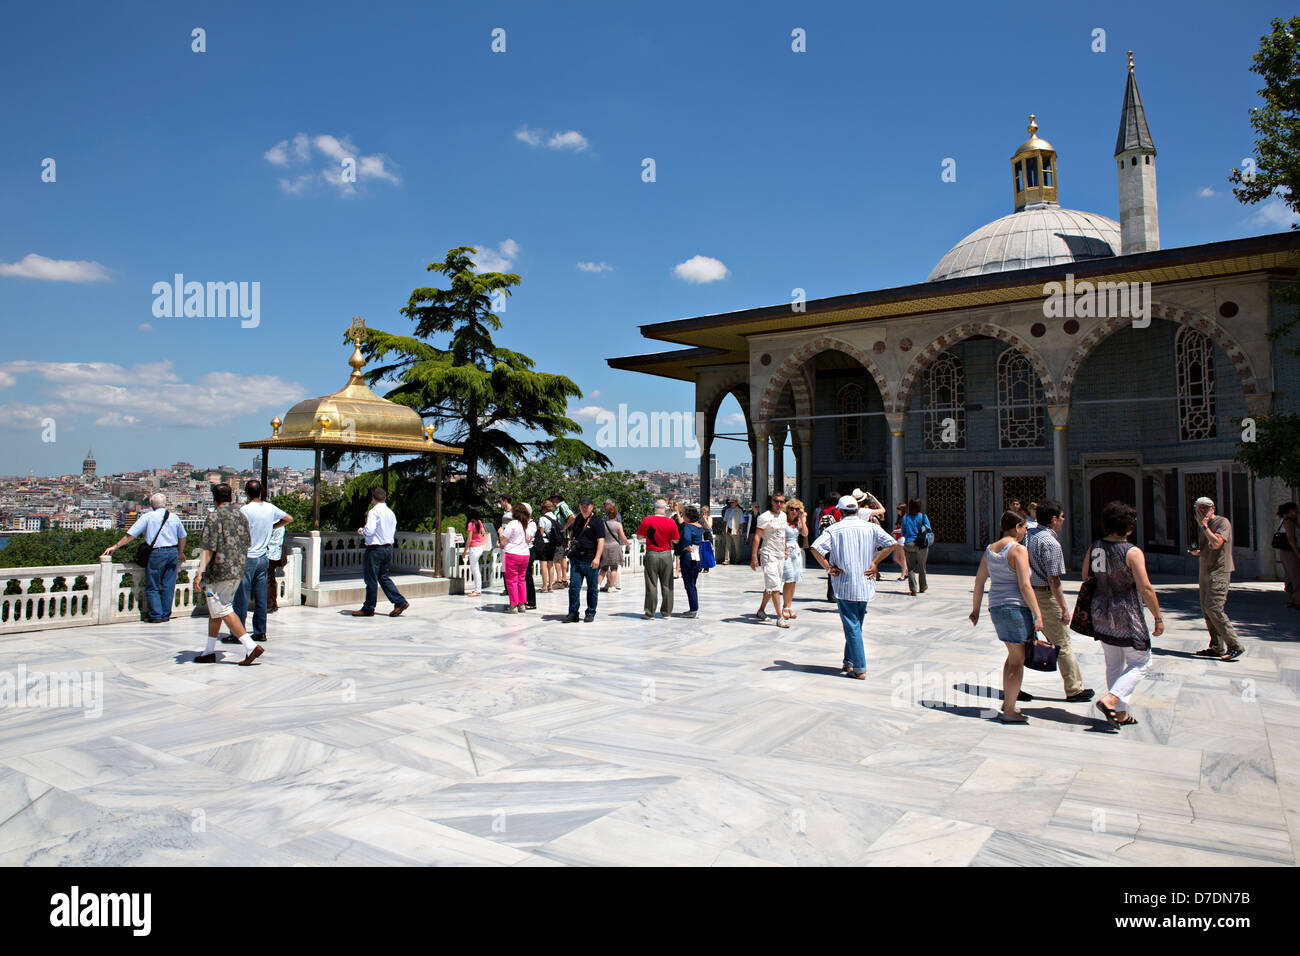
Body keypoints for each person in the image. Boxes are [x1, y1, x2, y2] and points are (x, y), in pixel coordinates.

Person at [1083, 501, 1164, 730]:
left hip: (1100, 612)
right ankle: (1111, 699)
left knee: (1114, 664)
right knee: (1141, 662)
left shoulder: (1095, 546)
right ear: (1128, 525)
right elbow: (1145, 587)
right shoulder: (1132, 551)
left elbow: (1085, 575)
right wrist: (1158, 617)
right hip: (1126, 614)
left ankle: (1120, 713)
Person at [809, 494, 903, 678]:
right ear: (857, 510)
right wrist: (875, 562)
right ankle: (849, 662)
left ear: (840, 511)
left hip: (845, 583)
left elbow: (815, 548)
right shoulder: (869, 527)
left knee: (852, 626)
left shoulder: (835, 529)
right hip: (865, 582)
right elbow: (891, 543)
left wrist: (828, 568)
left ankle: (859, 668)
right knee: (856, 625)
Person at [969, 510, 1045, 723]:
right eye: (1024, 528)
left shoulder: (990, 550)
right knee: (1016, 661)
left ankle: (1008, 701)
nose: (1025, 532)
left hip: (997, 608)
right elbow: (1024, 585)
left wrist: (976, 610)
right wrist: (1038, 614)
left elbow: (979, 581)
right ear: (1018, 527)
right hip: (1015, 609)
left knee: (1013, 655)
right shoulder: (1018, 550)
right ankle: (1010, 710)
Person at [1025, 500, 1093, 702]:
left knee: (1022, 642)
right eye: (1062, 517)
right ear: (1054, 519)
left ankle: (1013, 685)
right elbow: (1054, 579)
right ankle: (1074, 689)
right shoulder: (1050, 543)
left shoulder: (1028, 536)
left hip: (1028, 593)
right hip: (1045, 595)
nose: (1064, 520)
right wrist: (1064, 607)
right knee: (1062, 642)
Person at [192, 483, 262, 665]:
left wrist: (200, 572)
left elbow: (208, 548)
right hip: (238, 569)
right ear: (231, 497)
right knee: (216, 610)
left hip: (219, 571)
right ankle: (209, 651)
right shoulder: (241, 515)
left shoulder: (214, 517)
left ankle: (250, 646)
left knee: (222, 609)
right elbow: (248, 543)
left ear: (214, 499)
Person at [101, 492, 187, 623]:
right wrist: (180, 552)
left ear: (151, 504)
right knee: (169, 585)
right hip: (173, 552)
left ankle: (156, 615)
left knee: (153, 585)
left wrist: (115, 546)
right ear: (165, 504)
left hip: (157, 553)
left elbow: (131, 535)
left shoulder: (148, 517)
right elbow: (182, 536)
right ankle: (165, 614)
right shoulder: (174, 517)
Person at [231, 479, 291, 641]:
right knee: (261, 597)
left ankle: (239, 633)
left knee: (241, 597)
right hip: (263, 557)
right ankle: (260, 631)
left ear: (246, 493)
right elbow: (288, 518)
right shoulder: (270, 508)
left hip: (248, 556)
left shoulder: (245, 509)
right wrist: (273, 526)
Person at [1190, 496, 1244, 661]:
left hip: (1219, 571)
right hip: (1205, 569)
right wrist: (1197, 551)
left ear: (1213, 509)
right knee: (1206, 609)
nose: (1202, 511)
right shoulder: (1201, 526)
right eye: (1199, 508)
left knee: (1214, 608)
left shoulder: (1222, 523)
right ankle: (1217, 646)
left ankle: (1235, 645)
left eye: (1206, 508)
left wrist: (1204, 526)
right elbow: (1208, 547)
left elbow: (1217, 543)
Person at [350, 486, 408, 618]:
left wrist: (362, 531)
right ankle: (399, 601)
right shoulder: (390, 512)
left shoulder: (374, 512)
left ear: (373, 499)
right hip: (388, 547)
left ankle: (368, 608)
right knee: (383, 576)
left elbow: (370, 530)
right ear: (385, 498)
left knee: (371, 578)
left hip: (375, 548)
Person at [751, 492, 791, 627]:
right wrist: (754, 556)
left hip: (780, 555)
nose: (779, 504)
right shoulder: (764, 517)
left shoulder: (784, 516)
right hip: (768, 554)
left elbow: (783, 533)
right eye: (776, 501)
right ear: (772, 502)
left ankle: (761, 610)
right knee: (774, 586)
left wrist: (785, 549)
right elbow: (757, 536)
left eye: (781, 501)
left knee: (772, 585)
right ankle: (780, 617)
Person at [636, 499, 680, 619]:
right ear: (665, 509)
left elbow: (639, 537)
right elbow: (676, 540)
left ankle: (650, 612)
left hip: (652, 554)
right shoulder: (671, 522)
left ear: (654, 508)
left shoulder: (647, 520)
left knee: (651, 584)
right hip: (666, 554)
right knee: (667, 585)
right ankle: (666, 612)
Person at [564, 497, 605, 622]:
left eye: (587, 505)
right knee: (574, 588)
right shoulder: (577, 520)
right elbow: (572, 534)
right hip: (577, 559)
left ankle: (590, 612)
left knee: (592, 588)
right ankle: (573, 613)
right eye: (582, 505)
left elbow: (601, 540)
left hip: (590, 559)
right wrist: (570, 543)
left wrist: (597, 558)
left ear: (591, 507)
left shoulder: (597, 521)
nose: (584, 507)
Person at [500, 503, 532, 614]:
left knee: (511, 580)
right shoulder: (525, 525)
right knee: (521, 579)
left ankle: (513, 605)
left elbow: (504, 539)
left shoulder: (512, 523)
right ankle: (522, 604)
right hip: (524, 554)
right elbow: (529, 539)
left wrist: (500, 538)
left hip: (511, 554)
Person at [780, 498, 808, 619]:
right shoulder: (782, 520)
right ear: (787, 509)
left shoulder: (798, 521)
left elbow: (805, 534)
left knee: (794, 580)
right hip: (785, 551)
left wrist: (802, 518)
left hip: (796, 552)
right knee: (789, 578)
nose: (794, 511)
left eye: (797, 509)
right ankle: (785, 607)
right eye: (792, 508)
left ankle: (789, 606)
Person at [900, 498, 932, 597]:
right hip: (921, 545)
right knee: (922, 567)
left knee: (911, 568)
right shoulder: (923, 517)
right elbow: (929, 529)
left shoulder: (905, 518)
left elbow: (903, 532)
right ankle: (922, 587)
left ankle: (913, 589)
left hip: (909, 543)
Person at [678, 504, 704, 618]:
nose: (682, 516)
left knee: (689, 584)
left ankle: (693, 609)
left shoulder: (688, 527)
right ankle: (694, 607)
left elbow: (686, 538)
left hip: (688, 556)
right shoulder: (699, 526)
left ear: (688, 516)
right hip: (697, 555)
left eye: (683, 514)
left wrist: (684, 546)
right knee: (693, 583)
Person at [1275, 502, 1300, 611]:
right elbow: (1291, 539)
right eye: (1295, 510)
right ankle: (1298, 600)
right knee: (1296, 576)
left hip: (1285, 552)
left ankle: (1291, 599)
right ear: (1290, 511)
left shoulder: (1286, 520)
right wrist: (1297, 553)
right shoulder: (1288, 522)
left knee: (1289, 575)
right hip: (1290, 552)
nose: (1297, 512)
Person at [599, 499, 627, 592]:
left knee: (607, 568)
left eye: (605, 505)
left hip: (608, 545)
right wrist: (627, 543)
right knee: (613, 567)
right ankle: (611, 586)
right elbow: (621, 535)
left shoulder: (607, 521)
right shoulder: (614, 521)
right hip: (614, 545)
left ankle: (609, 585)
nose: (604, 506)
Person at [549, 493, 575, 579]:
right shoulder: (559, 507)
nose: (551, 501)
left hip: (561, 536)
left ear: (557, 499)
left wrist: (564, 528)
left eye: (552, 499)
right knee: (562, 557)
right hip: (562, 535)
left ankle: (560, 579)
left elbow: (571, 517)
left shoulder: (562, 506)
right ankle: (563, 578)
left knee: (557, 558)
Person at [536, 501, 559, 593]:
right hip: (552, 543)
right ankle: (550, 586)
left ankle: (544, 587)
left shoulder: (542, 518)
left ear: (545, 508)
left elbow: (541, 533)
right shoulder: (554, 517)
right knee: (551, 564)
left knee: (543, 565)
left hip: (545, 542)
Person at [464, 507, 487, 598]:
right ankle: (477, 589)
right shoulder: (479, 522)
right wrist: (480, 541)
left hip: (473, 548)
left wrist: (464, 552)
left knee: (475, 569)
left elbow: (469, 540)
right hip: (480, 547)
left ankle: (478, 590)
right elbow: (484, 533)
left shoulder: (470, 524)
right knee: (476, 568)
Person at [522, 503, 539, 610]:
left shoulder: (532, 524)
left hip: (529, 550)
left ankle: (531, 601)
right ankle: (523, 599)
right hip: (522, 551)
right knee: (522, 577)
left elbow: (527, 537)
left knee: (527, 576)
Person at [266, 524, 286, 613]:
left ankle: (269, 605)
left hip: (269, 553)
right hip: (277, 554)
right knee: (272, 579)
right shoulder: (281, 525)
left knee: (267, 579)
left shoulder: (273, 524)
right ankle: (273, 603)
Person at [497, 495, 514, 595]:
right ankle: (507, 587)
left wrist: (501, 536)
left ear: (505, 501)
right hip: (504, 541)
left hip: (509, 543)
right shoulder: (506, 513)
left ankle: (509, 588)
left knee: (508, 567)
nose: (500, 504)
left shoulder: (512, 513)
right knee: (504, 567)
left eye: (501, 502)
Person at [721, 497, 745, 564]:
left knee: (737, 546)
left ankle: (737, 560)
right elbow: (725, 521)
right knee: (727, 546)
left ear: (736, 503)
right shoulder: (727, 510)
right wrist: (723, 529)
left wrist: (740, 530)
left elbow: (742, 522)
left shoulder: (739, 511)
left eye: (733, 502)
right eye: (730, 502)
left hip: (735, 530)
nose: (731, 503)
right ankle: (727, 560)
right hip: (728, 529)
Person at [699, 504, 713, 573]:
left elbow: (709, 527)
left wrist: (705, 519)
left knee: (706, 553)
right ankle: (700, 566)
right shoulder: (699, 518)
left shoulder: (709, 518)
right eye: (702, 511)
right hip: (700, 536)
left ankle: (706, 567)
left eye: (705, 512)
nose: (703, 513)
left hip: (707, 535)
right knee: (700, 552)